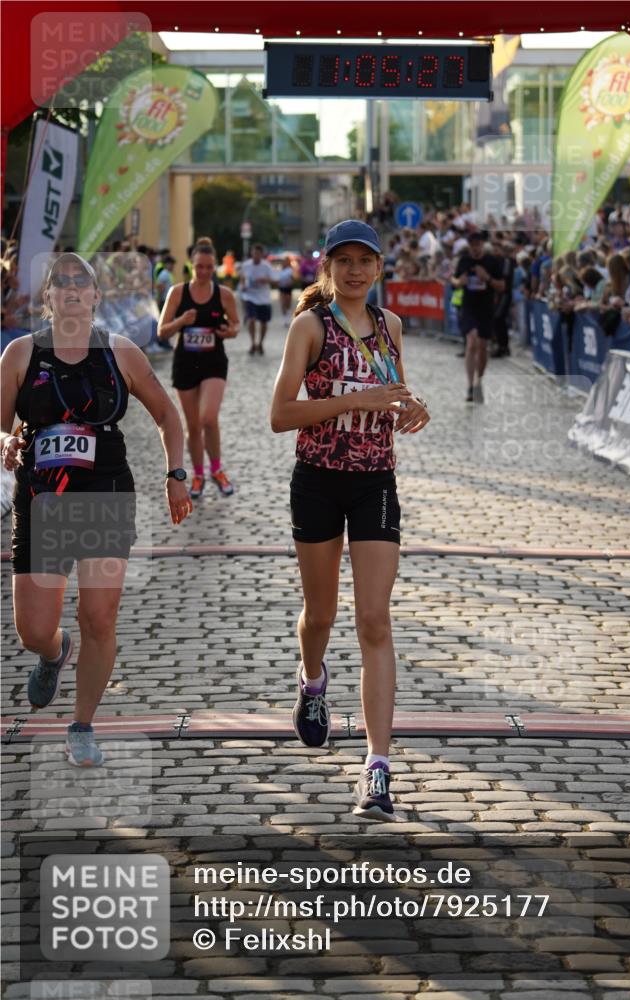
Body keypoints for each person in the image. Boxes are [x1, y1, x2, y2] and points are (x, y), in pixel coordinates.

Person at [0, 252, 192, 766]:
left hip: (106, 495)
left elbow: (168, 417)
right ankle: (53, 651)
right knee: (32, 628)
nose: (69, 290)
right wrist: (6, 442)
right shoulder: (20, 354)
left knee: (99, 617)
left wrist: (176, 474)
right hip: (41, 500)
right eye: (58, 283)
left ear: (94, 297)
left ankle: (82, 723)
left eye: (79, 283)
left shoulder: (120, 353)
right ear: (47, 298)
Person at [270, 220, 429, 821]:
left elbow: (393, 392)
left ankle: (377, 770)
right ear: (329, 269)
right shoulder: (310, 327)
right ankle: (312, 682)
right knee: (321, 615)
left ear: (380, 268)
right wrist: (354, 400)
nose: (356, 270)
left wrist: (412, 406)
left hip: (373, 484)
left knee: (373, 620)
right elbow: (281, 414)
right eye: (346, 261)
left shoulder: (391, 326)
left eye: (367, 260)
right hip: (317, 481)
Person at [157, 240, 240, 500]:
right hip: (185, 363)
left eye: (208, 267)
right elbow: (162, 331)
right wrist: (182, 320)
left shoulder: (224, 294)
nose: (204, 272)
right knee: (193, 426)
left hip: (213, 362)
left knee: (208, 417)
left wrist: (229, 331)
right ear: (191, 266)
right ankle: (199, 474)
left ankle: (217, 469)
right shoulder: (177, 293)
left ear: (214, 267)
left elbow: (235, 325)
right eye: (199, 267)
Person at [451, 231, 504, 402]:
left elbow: (502, 286)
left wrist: (487, 278)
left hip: (486, 308)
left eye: (477, 244)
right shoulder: (464, 261)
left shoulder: (492, 261)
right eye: (472, 244)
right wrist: (460, 282)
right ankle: (469, 385)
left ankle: (479, 381)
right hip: (468, 307)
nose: (475, 247)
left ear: (482, 245)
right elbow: (454, 279)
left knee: (482, 345)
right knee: (472, 340)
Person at [239, 243, 274, 355]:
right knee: (252, 319)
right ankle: (253, 343)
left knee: (263, 322)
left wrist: (265, 280)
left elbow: (274, 279)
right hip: (250, 296)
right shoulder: (246, 265)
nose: (256, 256)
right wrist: (243, 285)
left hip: (263, 297)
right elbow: (242, 277)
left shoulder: (266, 266)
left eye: (258, 254)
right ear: (252, 253)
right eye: (254, 253)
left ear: (262, 255)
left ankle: (261, 343)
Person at [277, 256, 295, 326]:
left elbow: (292, 278)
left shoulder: (290, 270)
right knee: (283, 303)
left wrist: (290, 282)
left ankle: (288, 317)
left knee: (288, 303)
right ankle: (285, 319)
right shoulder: (280, 270)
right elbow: (277, 278)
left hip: (288, 288)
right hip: (282, 288)